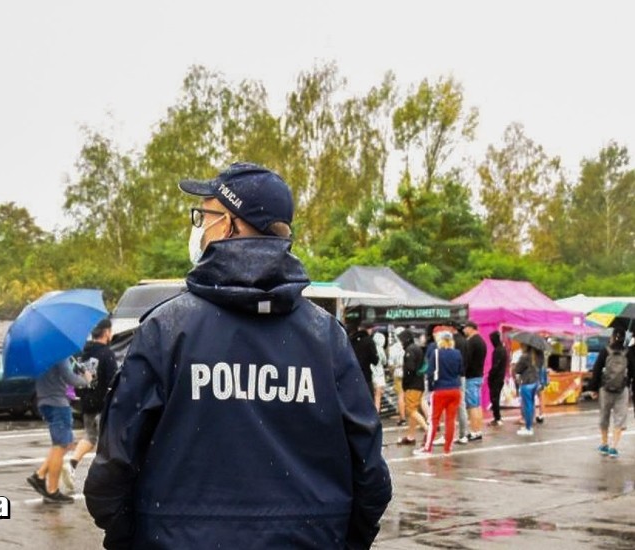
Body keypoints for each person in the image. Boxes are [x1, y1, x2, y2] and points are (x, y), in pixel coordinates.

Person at [84, 162, 392, 549]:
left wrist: (137, 536)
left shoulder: (167, 329)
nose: (199, 227)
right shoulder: (326, 337)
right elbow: (370, 473)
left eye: (204, 215)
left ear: (229, 225)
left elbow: (111, 471)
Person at [27, 356, 92, 502]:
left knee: (62, 445)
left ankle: (40, 475)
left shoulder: (41, 357)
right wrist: (86, 379)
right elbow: (70, 378)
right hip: (58, 403)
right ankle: (52, 490)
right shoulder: (59, 355)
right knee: (61, 446)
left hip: (44, 401)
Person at [69, 318, 118, 471]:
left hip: (87, 404)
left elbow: (76, 379)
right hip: (104, 405)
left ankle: (71, 463)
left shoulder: (83, 355)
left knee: (90, 437)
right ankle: (104, 473)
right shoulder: (107, 354)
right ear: (106, 332)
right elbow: (114, 380)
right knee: (110, 441)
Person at [587, 328, 633, 458]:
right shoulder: (628, 353)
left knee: (604, 416)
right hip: (622, 389)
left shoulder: (605, 351)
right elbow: (633, 372)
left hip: (605, 388)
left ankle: (604, 444)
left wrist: (593, 389)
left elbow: (596, 370)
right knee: (620, 417)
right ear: (624, 338)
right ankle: (614, 447)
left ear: (612, 337)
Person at [415, 332, 464, 456]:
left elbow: (430, 373)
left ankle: (428, 447)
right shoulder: (457, 353)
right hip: (455, 389)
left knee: (434, 420)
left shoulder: (436, 353)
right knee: (451, 420)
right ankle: (448, 448)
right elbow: (461, 371)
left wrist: (432, 387)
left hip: (440, 389)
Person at [397, 329, 427, 446]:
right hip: (419, 384)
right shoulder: (417, 348)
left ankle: (427, 430)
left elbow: (410, 369)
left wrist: (405, 385)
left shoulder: (409, 350)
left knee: (411, 410)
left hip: (412, 385)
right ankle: (411, 436)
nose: (400, 342)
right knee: (413, 410)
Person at [462, 321, 487, 441]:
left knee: (472, 406)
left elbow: (467, 360)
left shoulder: (472, 342)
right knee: (477, 405)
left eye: (465, 328)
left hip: (471, 377)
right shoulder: (481, 341)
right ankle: (478, 429)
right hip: (479, 375)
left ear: (470, 328)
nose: (463, 330)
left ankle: (475, 431)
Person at [513, 344, 541, 436]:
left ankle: (528, 427)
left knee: (527, 405)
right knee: (531, 404)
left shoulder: (524, 357)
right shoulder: (538, 355)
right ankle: (529, 425)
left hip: (527, 382)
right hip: (535, 381)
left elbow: (517, 369)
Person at [349, 322, 379, 399]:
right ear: (368, 329)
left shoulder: (350, 339)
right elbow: (375, 360)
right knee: (368, 401)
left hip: (352, 376)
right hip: (366, 377)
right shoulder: (369, 341)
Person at [452, 323, 470, 444]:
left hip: (455, 376)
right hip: (463, 374)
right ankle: (463, 433)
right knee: (461, 404)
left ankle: (463, 433)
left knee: (458, 405)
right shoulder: (465, 341)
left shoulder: (454, 342)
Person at [487, 331, 508, 427]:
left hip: (496, 378)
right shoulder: (502, 350)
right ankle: (497, 417)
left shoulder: (498, 351)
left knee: (494, 398)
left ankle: (497, 417)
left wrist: (490, 375)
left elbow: (495, 366)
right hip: (500, 377)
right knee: (495, 398)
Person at [388, 329, 407, 425]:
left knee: (400, 396)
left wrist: (392, 372)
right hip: (407, 373)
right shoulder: (406, 347)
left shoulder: (393, 348)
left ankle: (402, 417)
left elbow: (390, 364)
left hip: (397, 373)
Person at [371, 331, 388, 413]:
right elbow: (385, 362)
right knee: (378, 396)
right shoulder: (381, 349)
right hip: (379, 376)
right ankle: (376, 412)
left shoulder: (371, 348)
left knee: (373, 395)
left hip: (372, 375)